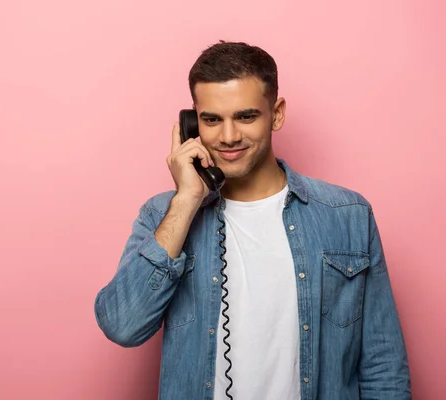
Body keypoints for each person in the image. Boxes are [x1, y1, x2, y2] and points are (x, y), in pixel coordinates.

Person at [93, 41, 411, 400]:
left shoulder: (348, 216)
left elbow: (383, 365)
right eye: (212, 119)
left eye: (246, 116)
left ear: (276, 114)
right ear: (191, 123)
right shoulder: (164, 216)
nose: (228, 137)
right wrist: (186, 200)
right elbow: (122, 326)